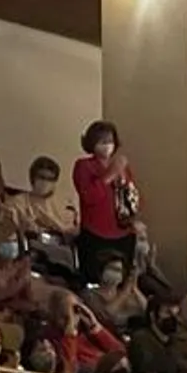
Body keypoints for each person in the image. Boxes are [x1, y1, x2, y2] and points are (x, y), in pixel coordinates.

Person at [72, 122, 140, 284]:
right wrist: (110, 174)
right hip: (96, 234)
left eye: (110, 140)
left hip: (123, 233)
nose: (107, 145)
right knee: (95, 281)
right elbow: (89, 197)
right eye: (101, 141)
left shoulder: (122, 166)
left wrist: (133, 219)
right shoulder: (84, 166)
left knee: (122, 280)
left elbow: (131, 196)